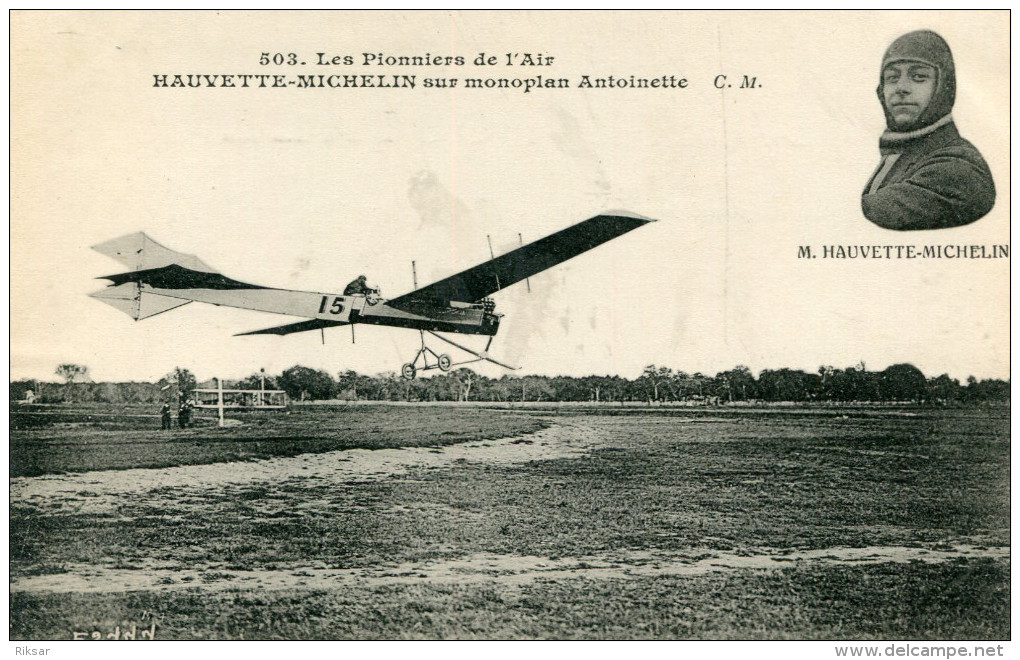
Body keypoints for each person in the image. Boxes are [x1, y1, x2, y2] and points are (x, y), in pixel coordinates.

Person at [861, 30, 995, 230]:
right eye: (892, 77)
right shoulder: (897, 153)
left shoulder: (960, 165)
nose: (901, 88)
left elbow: (873, 211)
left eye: (918, 76)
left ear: (943, 86)